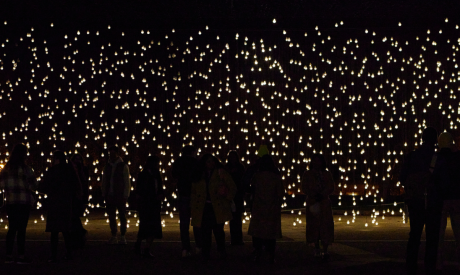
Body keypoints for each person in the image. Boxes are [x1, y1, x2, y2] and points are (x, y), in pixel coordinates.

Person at [399, 127, 438, 275]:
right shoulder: (436, 157)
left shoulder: (411, 156)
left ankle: (411, 264)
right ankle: (430, 265)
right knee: (432, 235)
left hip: (415, 200)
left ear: (422, 138)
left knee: (414, 234)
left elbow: (402, 178)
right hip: (433, 201)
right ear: (435, 140)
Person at [191, 154, 236, 261]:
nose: (211, 164)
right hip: (204, 207)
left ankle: (221, 250)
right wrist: (193, 206)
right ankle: (206, 252)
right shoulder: (199, 175)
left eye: (212, 161)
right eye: (208, 162)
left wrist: (226, 197)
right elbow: (194, 191)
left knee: (218, 230)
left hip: (217, 206)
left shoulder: (221, 173)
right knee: (205, 231)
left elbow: (232, 187)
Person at [39, 151, 81, 262]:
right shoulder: (69, 170)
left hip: (54, 203)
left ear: (56, 159)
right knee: (66, 231)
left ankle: (53, 255)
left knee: (54, 232)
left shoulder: (52, 171)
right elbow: (75, 185)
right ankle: (69, 254)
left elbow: (44, 186)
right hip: (66, 203)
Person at [0, 144, 38, 264]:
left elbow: (1, 185)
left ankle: (9, 255)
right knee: (22, 229)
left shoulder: (6, 168)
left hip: (11, 202)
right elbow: (34, 185)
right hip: (23, 202)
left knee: (12, 228)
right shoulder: (26, 169)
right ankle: (21, 256)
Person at [248, 154, 283, 263]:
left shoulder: (257, 176)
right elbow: (280, 192)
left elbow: (252, 190)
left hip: (259, 207)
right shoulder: (276, 177)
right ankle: (270, 254)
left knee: (258, 231)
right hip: (271, 207)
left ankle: (258, 252)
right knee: (270, 232)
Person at [301, 153, 335, 260]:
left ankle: (325, 249)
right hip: (313, 203)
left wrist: (323, 194)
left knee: (325, 226)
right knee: (313, 226)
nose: (316, 163)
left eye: (318, 161)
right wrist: (313, 194)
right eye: (314, 161)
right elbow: (304, 187)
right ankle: (316, 247)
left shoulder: (327, 174)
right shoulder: (307, 174)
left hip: (324, 203)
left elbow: (331, 187)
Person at [435, 132, 460, 273]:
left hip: (440, 200)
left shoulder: (436, 158)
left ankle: (438, 262)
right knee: (459, 232)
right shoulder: (457, 157)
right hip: (457, 198)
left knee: (439, 234)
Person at [171, 145, 200, 257]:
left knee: (184, 223)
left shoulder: (179, 161)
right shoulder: (196, 162)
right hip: (195, 195)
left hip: (183, 194)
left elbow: (174, 175)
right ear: (193, 152)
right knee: (197, 222)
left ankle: (185, 248)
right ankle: (199, 246)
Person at [134, 156, 164, 257]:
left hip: (154, 204)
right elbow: (139, 189)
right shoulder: (143, 175)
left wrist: (160, 195)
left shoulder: (157, 175)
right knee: (144, 226)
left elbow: (160, 187)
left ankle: (147, 248)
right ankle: (138, 244)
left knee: (153, 227)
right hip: (146, 204)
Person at [102, 145, 131, 245]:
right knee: (112, 216)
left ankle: (123, 235)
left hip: (119, 195)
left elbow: (127, 182)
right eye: (110, 153)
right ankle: (114, 235)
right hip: (110, 195)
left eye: (113, 153)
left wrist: (125, 195)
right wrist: (104, 193)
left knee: (122, 215)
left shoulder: (123, 166)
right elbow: (105, 180)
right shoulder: (108, 166)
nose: (111, 155)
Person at [225, 150, 246, 246]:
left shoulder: (240, 168)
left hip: (238, 196)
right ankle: (234, 239)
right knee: (232, 219)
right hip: (229, 195)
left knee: (237, 218)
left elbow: (243, 180)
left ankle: (239, 239)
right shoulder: (226, 168)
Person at [70, 153, 89, 248]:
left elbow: (85, 185)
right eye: (75, 159)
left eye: (79, 159)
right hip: (72, 197)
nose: (77, 161)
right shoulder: (71, 170)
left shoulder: (83, 170)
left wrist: (85, 198)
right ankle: (78, 235)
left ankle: (80, 234)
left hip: (79, 197)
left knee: (74, 217)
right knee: (73, 217)